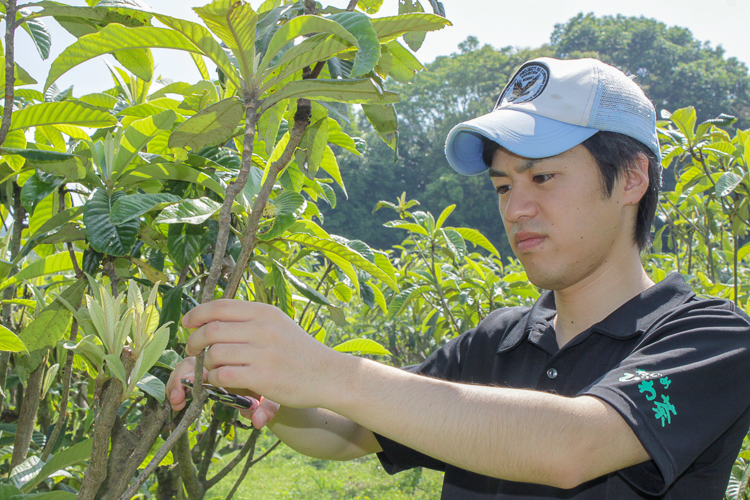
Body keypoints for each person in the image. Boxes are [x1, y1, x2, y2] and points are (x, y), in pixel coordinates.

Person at [166, 57, 750, 499]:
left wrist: (323, 368)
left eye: (541, 178)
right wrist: (261, 385)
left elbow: (572, 446)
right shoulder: (497, 341)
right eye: (502, 186)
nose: (515, 208)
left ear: (631, 180)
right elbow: (344, 432)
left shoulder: (711, 339)